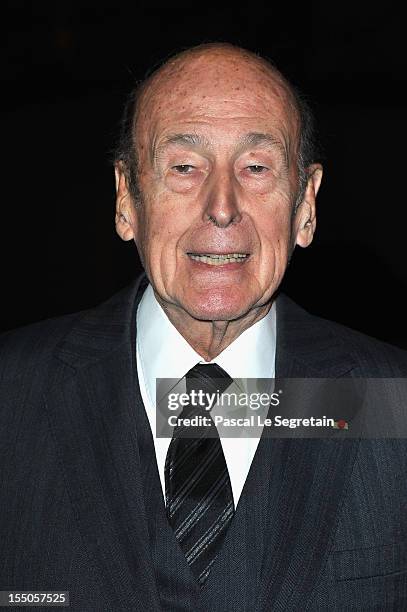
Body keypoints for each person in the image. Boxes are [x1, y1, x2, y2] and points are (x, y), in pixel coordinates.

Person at [1, 42, 407, 611]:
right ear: (126, 200)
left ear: (306, 204)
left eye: (257, 167)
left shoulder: (392, 403)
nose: (222, 206)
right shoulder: (12, 393)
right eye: (185, 167)